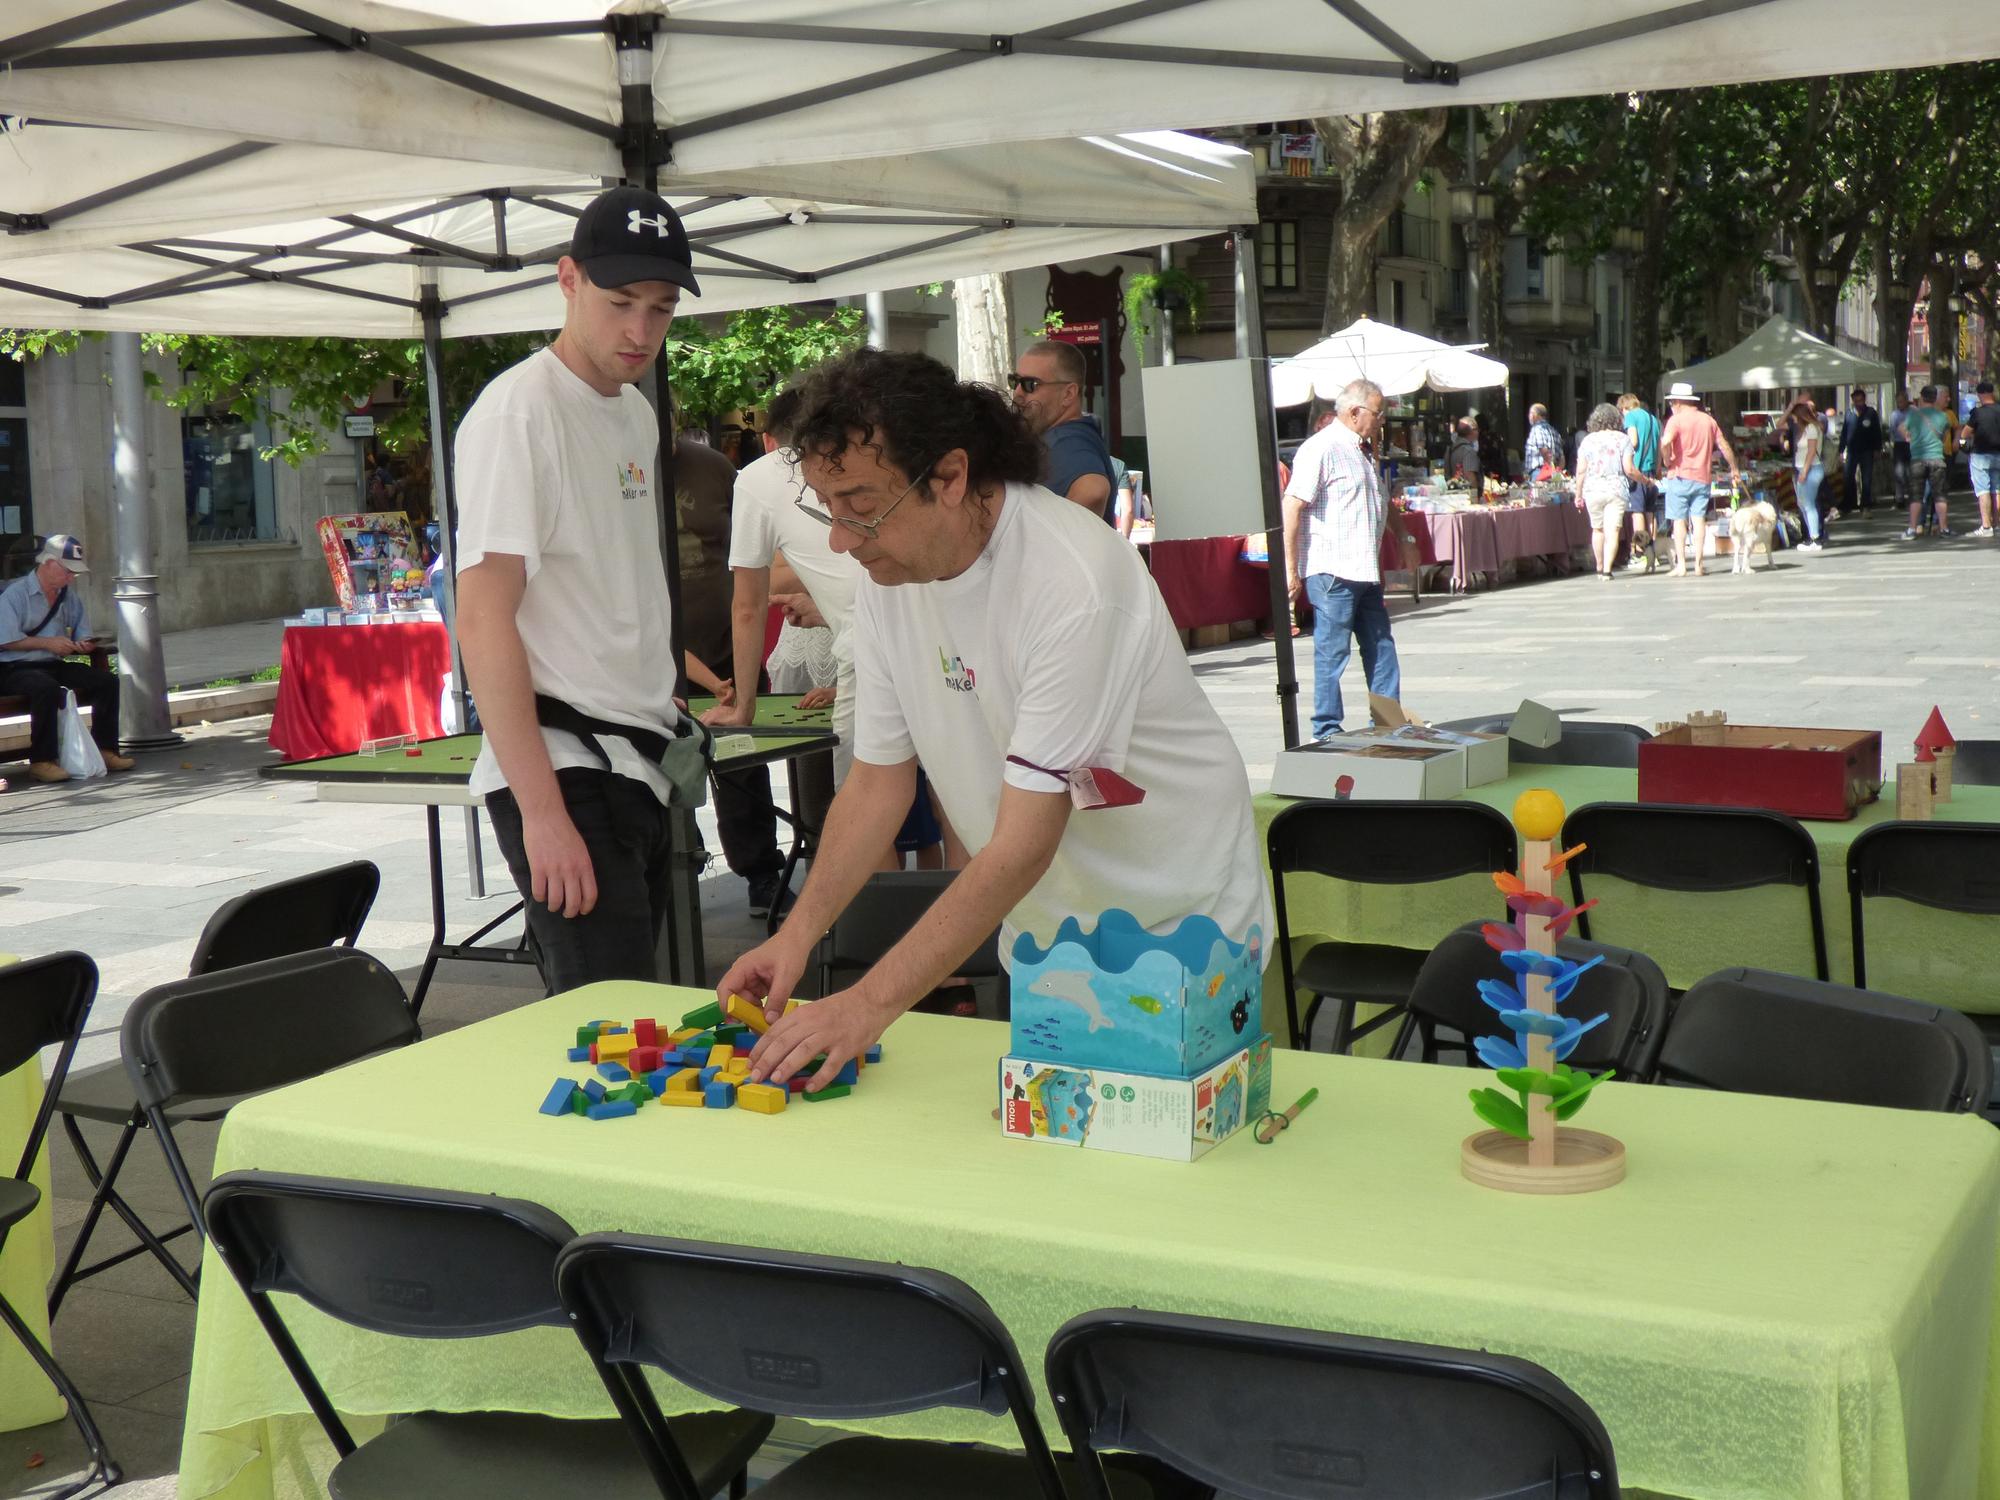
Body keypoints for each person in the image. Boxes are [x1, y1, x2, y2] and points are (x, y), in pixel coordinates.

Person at [717, 348, 1271, 1088]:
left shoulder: (1070, 582)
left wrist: (866, 1006)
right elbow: (878, 785)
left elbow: (1021, 844)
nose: (842, 539)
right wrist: (796, 936)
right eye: (828, 509)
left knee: (1160, 1166)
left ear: (950, 477)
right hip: (1044, 929)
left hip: (1180, 924)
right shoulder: (891, 577)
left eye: (860, 506)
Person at [454, 184, 706, 994]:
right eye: (620, 300)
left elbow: (616, 586)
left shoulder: (634, 412)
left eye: (662, 308)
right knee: (606, 1036)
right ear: (567, 279)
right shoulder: (516, 415)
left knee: (647, 1024)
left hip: (642, 760)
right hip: (564, 767)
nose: (640, 331)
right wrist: (542, 812)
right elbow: (482, 614)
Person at [708, 384, 858, 867]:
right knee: (934, 806)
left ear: (773, 440)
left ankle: (863, 938)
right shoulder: (861, 456)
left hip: (876, 652)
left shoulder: (761, 477)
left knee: (862, 819)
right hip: (894, 646)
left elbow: (748, 603)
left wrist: (744, 705)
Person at [674, 421, 795, 919]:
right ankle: (676, 864)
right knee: (657, 765)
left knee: (744, 762)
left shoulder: (713, 468)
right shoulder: (602, 470)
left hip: (726, 643)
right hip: (652, 654)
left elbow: (757, 549)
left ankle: (761, 871)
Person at [1283, 380, 1402, 739]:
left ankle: (1387, 722)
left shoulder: (1363, 450)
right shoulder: (1321, 448)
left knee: (1381, 647)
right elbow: (1292, 505)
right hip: (1333, 569)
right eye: (1378, 414)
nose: (1381, 421)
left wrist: (1405, 537)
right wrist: (1291, 569)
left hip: (1364, 569)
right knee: (1332, 654)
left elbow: (1380, 500)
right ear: (1354, 413)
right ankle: (1327, 729)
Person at [0, 534, 135, 783]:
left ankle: (106, 750)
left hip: (52, 664)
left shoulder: (68, 596)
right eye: (67, 571)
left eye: (75, 573)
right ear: (48, 563)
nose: (71, 578)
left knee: (106, 681)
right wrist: (48, 643)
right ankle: (43, 760)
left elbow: (83, 632)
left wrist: (82, 645)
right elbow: (5, 640)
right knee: (46, 689)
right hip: (13, 668)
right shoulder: (15, 594)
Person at [1009, 340, 1116, 524]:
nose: (1018, 392)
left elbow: (1093, 490)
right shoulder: (1069, 435)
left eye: (1030, 384)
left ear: (1068, 394)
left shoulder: (1066, 441)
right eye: (1015, 381)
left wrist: (1049, 540)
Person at [1658, 382, 1742, 577]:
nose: (1671, 406)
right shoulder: (1708, 420)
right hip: (1703, 477)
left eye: (1671, 402)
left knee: (1679, 522)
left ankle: (1681, 566)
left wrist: (1666, 458)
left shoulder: (1675, 420)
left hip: (1679, 476)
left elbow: (1665, 441)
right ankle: (1698, 564)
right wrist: (1734, 468)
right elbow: (1724, 445)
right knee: (1699, 521)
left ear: (1678, 402)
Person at [1574, 403, 1644, 580]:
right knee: (1612, 531)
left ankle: (1598, 566)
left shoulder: (1587, 440)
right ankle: (1607, 569)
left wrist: (1578, 493)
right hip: (1616, 489)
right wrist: (1645, 480)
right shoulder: (1623, 439)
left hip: (1593, 489)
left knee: (1597, 530)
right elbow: (1629, 469)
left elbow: (1581, 470)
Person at [1618, 393, 1663, 572]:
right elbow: (1659, 447)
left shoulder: (1630, 417)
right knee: (1651, 514)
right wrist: (1658, 469)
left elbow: (1634, 440)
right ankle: (1653, 552)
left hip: (1637, 471)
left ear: (1624, 408)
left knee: (1637, 512)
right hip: (1652, 471)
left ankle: (1640, 552)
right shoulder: (1653, 419)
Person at [1904, 384, 1953, 539]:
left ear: (1922, 397)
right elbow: (1945, 436)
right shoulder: (1942, 416)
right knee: (1940, 495)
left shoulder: (1913, 415)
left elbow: (1902, 429)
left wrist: (1909, 438)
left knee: (1916, 496)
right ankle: (1943, 528)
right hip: (1937, 459)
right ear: (1935, 398)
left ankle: (1912, 529)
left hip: (1918, 459)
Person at [1961, 381, 2000, 538]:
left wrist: (1964, 445)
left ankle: (1986, 526)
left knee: (1983, 490)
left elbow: (1965, 433)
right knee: (1997, 490)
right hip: (1999, 454)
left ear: (1980, 394)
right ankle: (1997, 523)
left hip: (1980, 455)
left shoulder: (1977, 413)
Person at [1788, 396, 1825, 552]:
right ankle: (1811, 536)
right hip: (1803, 469)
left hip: (1810, 469)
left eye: (1795, 417)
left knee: (1808, 504)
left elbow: (1811, 452)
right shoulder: (1805, 429)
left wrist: (1804, 471)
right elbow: (1779, 424)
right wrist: (1791, 407)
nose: (1794, 421)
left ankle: (1815, 538)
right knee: (1803, 504)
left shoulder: (1811, 428)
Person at [1840, 387, 1882, 516]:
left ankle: (1865, 506)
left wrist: (1877, 449)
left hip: (1867, 451)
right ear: (1853, 401)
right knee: (1848, 477)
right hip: (1852, 451)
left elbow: (1877, 432)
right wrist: (1841, 450)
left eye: (1860, 400)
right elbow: (1844, 433)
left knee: (1866, 479)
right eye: (1856, 401)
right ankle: (1849, 504)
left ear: (1864, 400)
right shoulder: (1849, 413)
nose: (1858, 403)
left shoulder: (1871, 413)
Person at [1522, 403, 1565, 481]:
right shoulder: (1554, 431)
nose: (1529, 416)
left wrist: (1549, 470)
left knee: (1539, 493)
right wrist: (1557, 472)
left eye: (1530, 413)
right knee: (1552, 492)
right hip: (1552, 472)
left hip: (1540, 472)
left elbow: (1544, 451)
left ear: (1534, 415)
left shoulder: (1537, 429)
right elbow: (1561, 457)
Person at [1445, 418, 1481, 485]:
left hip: (1452, 491)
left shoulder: (1449, 449)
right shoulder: (1468, 451)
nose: (1478, 432)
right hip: (1466, 493)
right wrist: (1475, 492)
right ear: (1471, 431)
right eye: (1477, 429)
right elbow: (1470, 477)